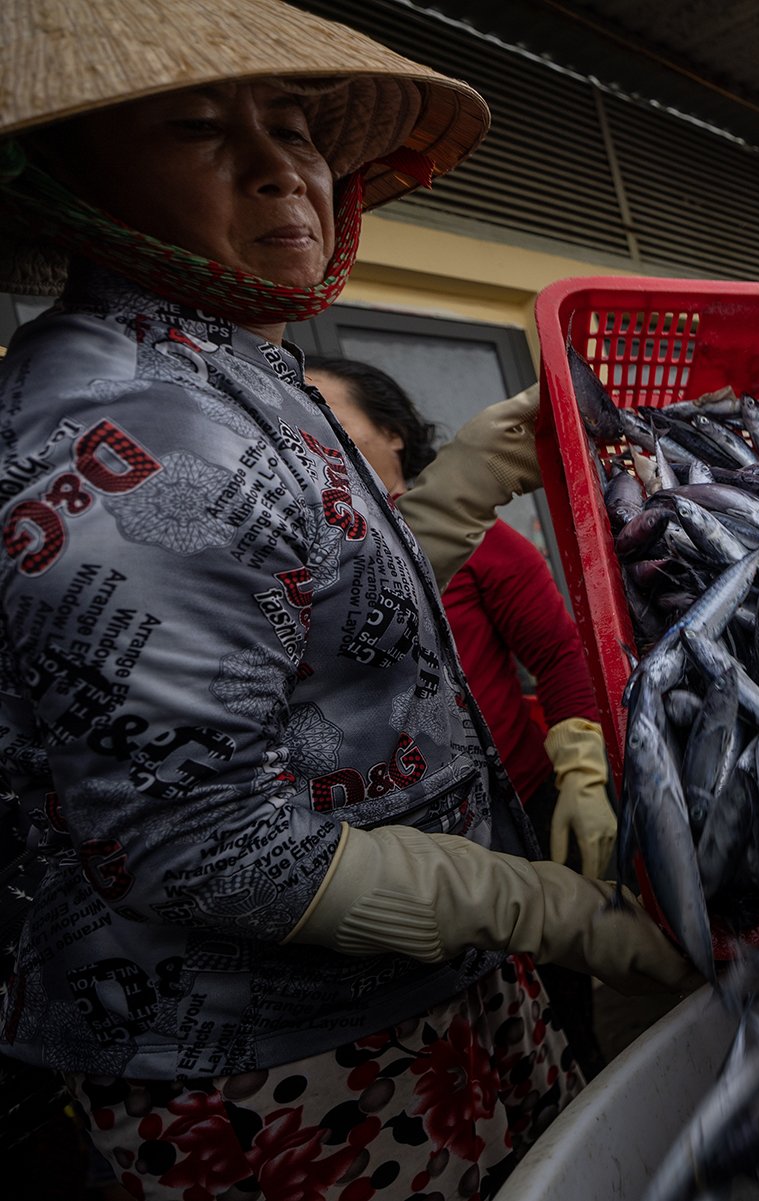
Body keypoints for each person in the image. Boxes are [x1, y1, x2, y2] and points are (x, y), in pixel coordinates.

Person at [0, 2, 696, 1197]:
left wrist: (465, 484)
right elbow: (209, 850)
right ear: (72, 179)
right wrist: (546, 908)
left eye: (294, 128)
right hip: (284, 1068)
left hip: (423, 997)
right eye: (196, 130)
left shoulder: (224, 365)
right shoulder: (129, 436)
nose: (282, 169)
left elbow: (293, 626)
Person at [311, 357, 618, 1073]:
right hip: (384, 862)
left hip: (517, 813)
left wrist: (582, 771)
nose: (318, 448)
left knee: (562, 1007)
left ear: (394, 436)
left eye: (337, 426)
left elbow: (562, 655)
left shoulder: (482, 543)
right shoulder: (308, 576)